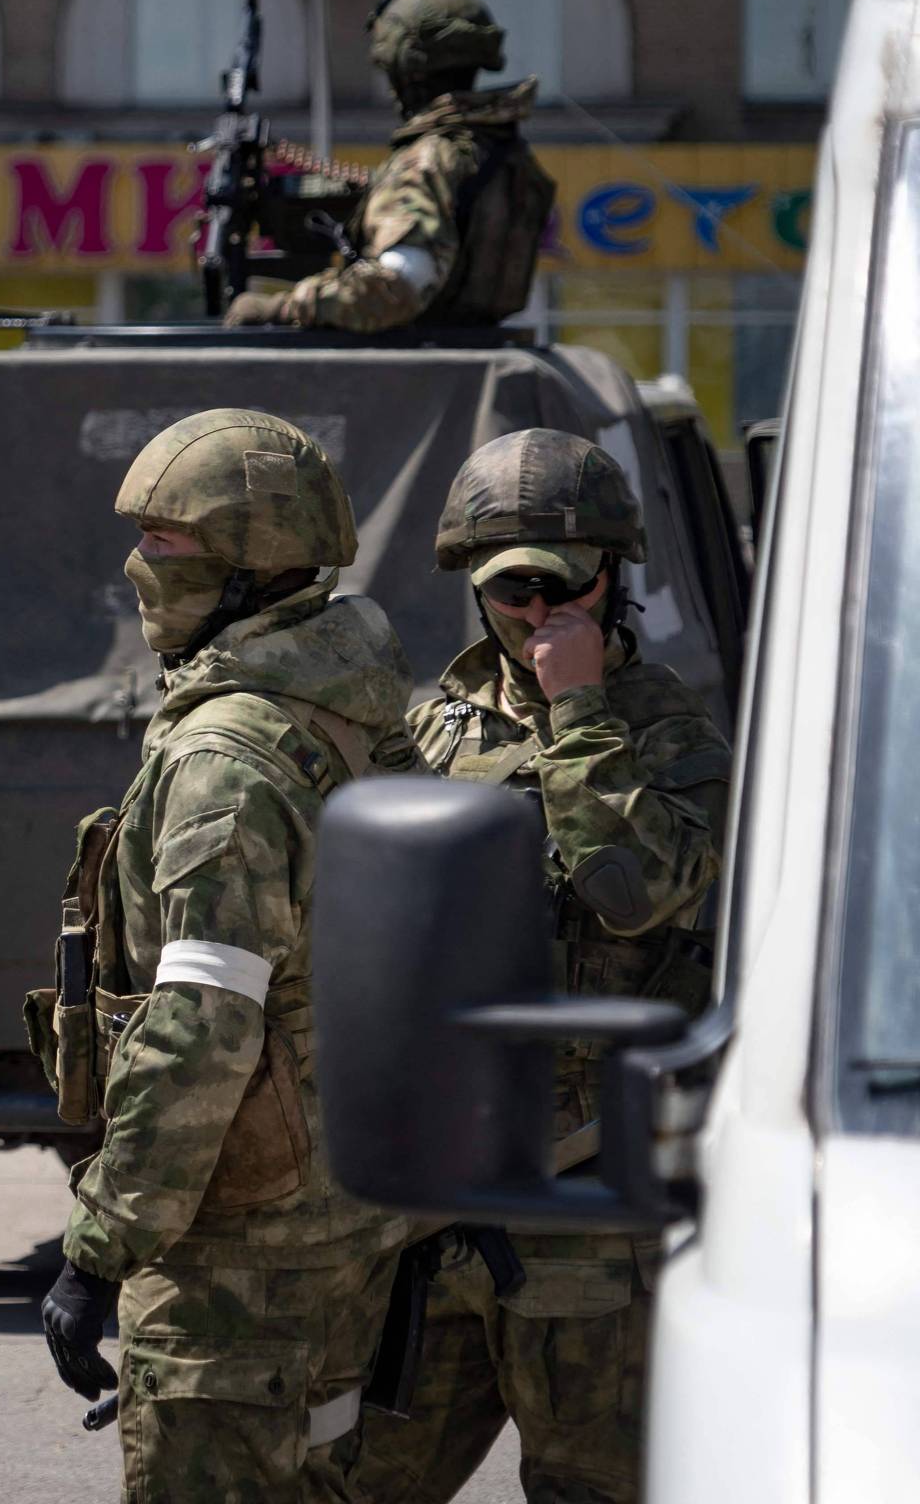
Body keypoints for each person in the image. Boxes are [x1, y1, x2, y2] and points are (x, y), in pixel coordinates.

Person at [37, 409, 416, 1501]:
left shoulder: (225, 761)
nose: (139, 564)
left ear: (249, 565)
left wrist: (99, 1241)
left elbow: (202, 1025)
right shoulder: (354, 706)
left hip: (242, 1243)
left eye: (168, 543)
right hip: (341, 1207)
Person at [348, 428, 729, 1504]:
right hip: (438, 1204)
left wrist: (578, 708)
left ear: (613, 577)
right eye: (510, 589)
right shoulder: (429, 729)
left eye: (561, 585)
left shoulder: (671, 738)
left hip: (585, 1212)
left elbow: (635, 889)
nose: (535, 612)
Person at [224, 0, 554, 332]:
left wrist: (283, 307)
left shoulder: (428, 159)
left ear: (408, 68)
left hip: (417, 367)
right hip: (475, 351)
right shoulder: (502, 150)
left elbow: (399, 286)